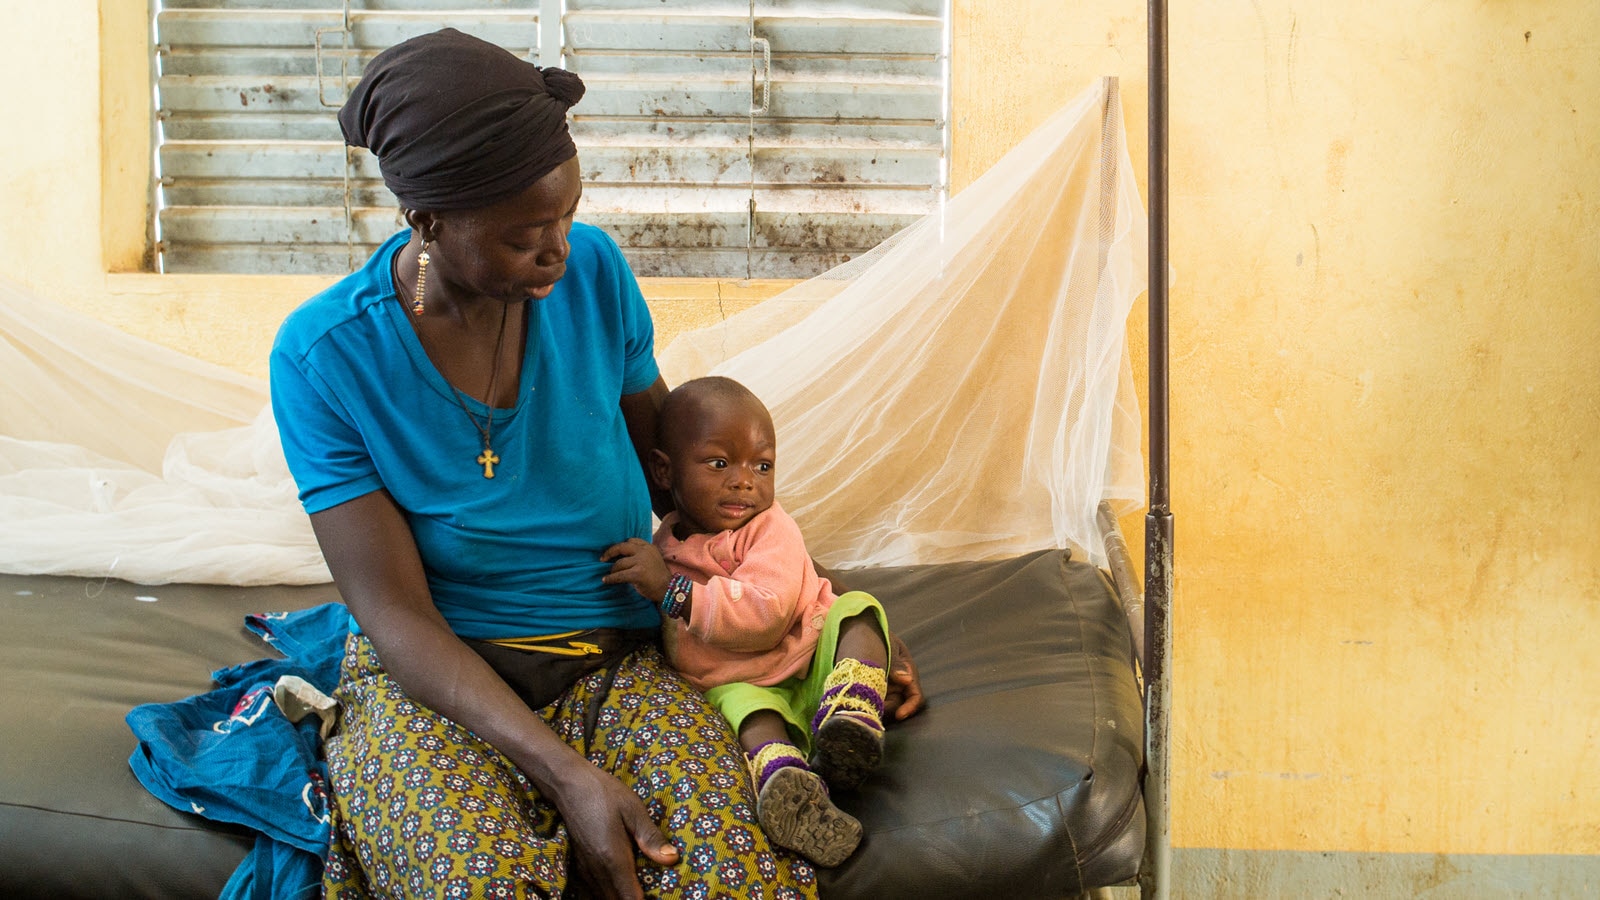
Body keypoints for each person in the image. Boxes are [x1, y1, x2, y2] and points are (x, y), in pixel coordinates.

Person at [268, 27, 921, 900]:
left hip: (617, 659)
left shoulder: (595, 276)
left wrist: (821, 607)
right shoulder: (325, 357)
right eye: (526, 235)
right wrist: (565, 773)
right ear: (427, 220)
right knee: (478, 884)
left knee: (731, 879)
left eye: (569, 217)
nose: (560, 252)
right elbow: (398, 620)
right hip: (444, 677)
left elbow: (678, 482)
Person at [600, 377, 894, 868]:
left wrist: (671, 592)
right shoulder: (663, 548)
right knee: (742, 710)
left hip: (809, 651)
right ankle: (792, 790)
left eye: (762, 465)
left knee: (859, 609)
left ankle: (852, 712)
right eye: (720, 464)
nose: (745, 481)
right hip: (742, 681)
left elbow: (767, 616)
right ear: (663, 470)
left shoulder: (769, 527)